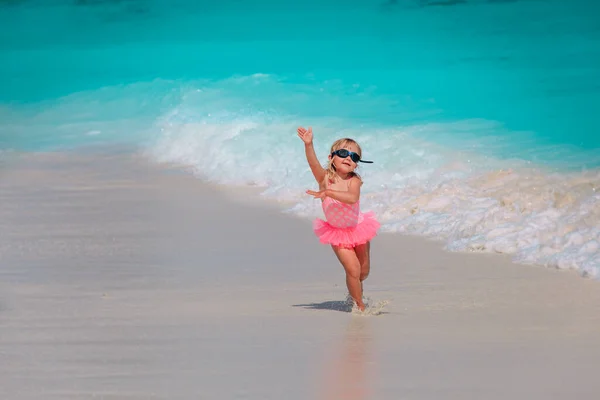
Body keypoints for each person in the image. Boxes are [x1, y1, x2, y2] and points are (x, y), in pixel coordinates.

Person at [297, 126, 380, 311]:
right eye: (343, 153)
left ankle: (355, 293)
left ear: (357, 164)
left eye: (354, 157)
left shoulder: (354, 180)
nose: (348, 158)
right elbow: (312, 163)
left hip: (358, 228)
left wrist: (328, 192)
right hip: (337, 233)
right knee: (353, 270)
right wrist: (309, 144)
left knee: (363, 271)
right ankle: (359, 306)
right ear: (331, 158)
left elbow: (352, 198)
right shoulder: (324, 178)